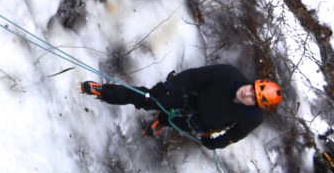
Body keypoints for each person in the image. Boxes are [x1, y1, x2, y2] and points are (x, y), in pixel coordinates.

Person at [79, 66, 281, 148]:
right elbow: (193, 76)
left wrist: (216, 143)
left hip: (200, 121)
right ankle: (104, 91)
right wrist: (170, 86)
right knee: (147, 98)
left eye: (253, 98)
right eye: (251, 89)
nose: (246, 93)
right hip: (189, 96)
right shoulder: (229, 75)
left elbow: (233, 136)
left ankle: (163, 121)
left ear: (257, 105)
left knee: (174, 121)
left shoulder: (253, 119)